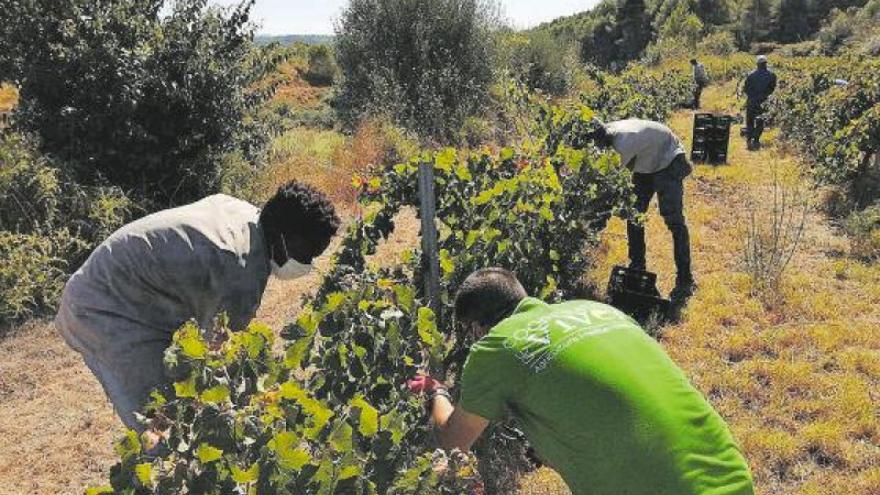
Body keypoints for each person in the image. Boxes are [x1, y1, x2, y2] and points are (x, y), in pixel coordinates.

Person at [407, 268, 755, 495]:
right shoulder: (600, 310)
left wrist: (436, 391)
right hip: (732, 476)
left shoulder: (495, 347)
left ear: (477, 327)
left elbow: (453, 440)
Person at [54, 181, 340, 432]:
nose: (307, 264)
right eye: (306, 254)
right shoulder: (236, 271)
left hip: (128, 291)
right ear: (283, 236)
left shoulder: (245, 214)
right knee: (162, 422)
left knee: (183, 406)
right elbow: (217, 359)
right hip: (103, 311)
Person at [588, 118, 695, 302]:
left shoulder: (623, 144)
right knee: (634, 215)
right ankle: (637, 267)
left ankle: (685, 279)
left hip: (668, 158)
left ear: (602, 140)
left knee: (674, 221)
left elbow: (607, 187)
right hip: (646, 161)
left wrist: (594, 220)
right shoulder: (608, 132)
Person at [742, 55, 777, 150]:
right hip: (764, 102)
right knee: (760, 121)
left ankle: (749, 139)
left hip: (752, 101)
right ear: (766, 64)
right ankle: (756, 139)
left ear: (757, 64)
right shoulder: (772, 75)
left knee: (750, 121)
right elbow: (773, 89)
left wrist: (752, 96)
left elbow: (745, 89)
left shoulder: (751, 75)